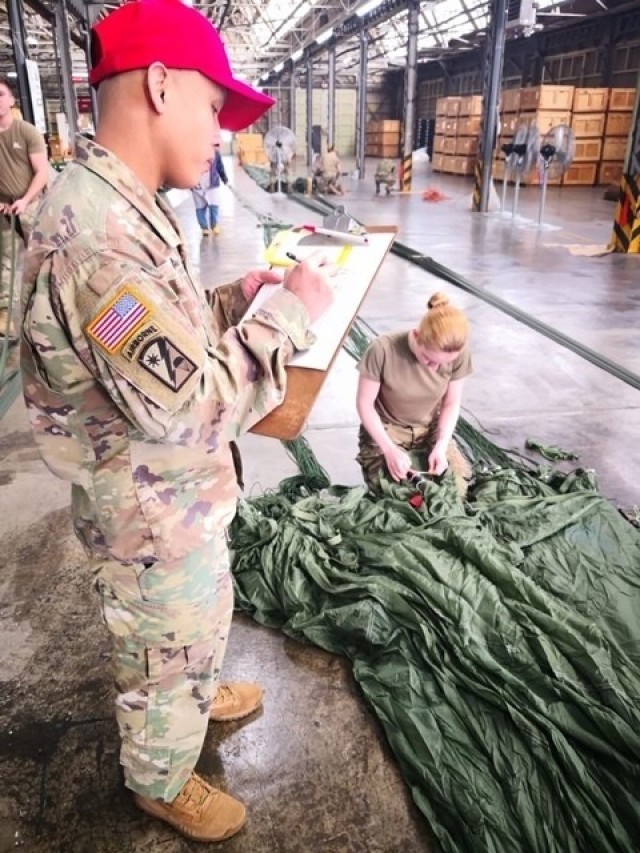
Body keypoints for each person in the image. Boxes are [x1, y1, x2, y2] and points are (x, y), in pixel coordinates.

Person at [20, 0, 334, 844]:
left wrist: (241, 297)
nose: (222, 132)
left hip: (175, 499)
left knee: (196, 619)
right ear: (160, 85)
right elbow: (190, 402)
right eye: (213, 107)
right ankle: (160, 772)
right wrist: (290, 318)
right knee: (166, 637)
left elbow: (169, 330)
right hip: (147, 511)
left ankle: (192, 691)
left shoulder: (123, 204)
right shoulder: (95, 241)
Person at [356, 292, 472, 496]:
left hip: (430, 428)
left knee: (456, 489)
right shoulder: (382, 350)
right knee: (401, 494)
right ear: (417, 336)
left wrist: (441, 445)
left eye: (443, 363)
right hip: (387, 429)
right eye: (429, 359)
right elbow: (365, 404)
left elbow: (451, 403)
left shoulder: (458, 353)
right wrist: (389, 449)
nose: (435, 367)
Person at [0, 76, 49, 337]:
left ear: (11, 100)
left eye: (0, 95)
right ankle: (6, 320)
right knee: (6, 264)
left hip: (31, 207)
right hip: (4, 211)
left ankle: (46, 312)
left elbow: (42, 172)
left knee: (42, 259)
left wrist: (25, 200)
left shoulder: (26, 132)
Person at [192, 143, 228, 236]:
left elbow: (220, 166)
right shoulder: (192, 152)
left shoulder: (215, 153)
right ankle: (204, 228)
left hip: (212, 183)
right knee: (200, 207)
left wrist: (224, 178)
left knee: (214, 205)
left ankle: (214, 225)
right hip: (197, 184)